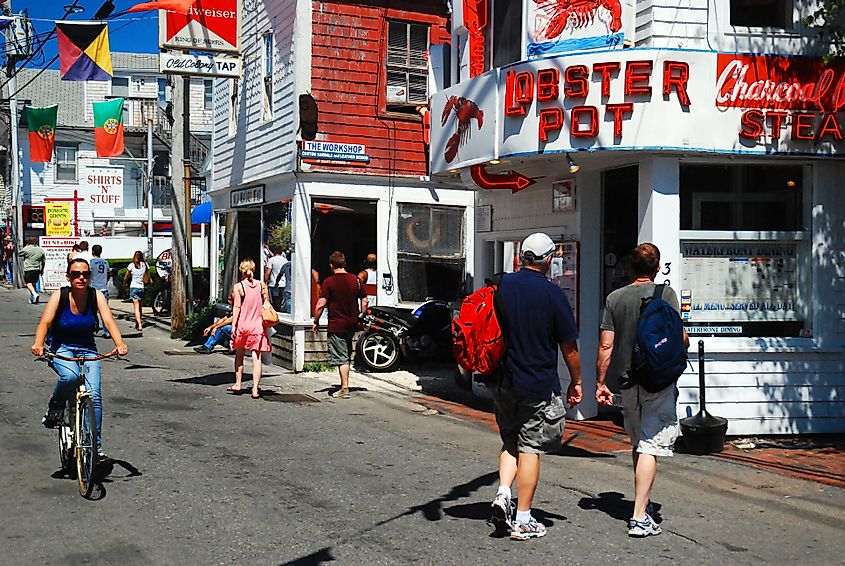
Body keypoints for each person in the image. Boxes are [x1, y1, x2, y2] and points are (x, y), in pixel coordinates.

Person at [488, 232, 582, 541]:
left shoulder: (503, 286)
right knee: (530, 447)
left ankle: (504, 493)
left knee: (510, 441)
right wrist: (577, 381)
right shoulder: (553, 294)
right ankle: (524, 518)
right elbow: (569, 347)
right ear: (549, 259)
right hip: (537, 383)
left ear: (522, 256)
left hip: (504, 380)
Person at [595, 242, 689, 538]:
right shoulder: (667, 294)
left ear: (630, 268)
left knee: (639, 442)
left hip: (627, 380)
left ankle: (642, 504)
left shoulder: (615, 298)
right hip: (658, 379)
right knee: (650, 444)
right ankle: (639, 517)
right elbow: (681, 337)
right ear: (657, 267)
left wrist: (600, 382)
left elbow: (606, 345)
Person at [32, 257, 129, 460]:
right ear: (69, 277)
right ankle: (55, 407)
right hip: (62, 347)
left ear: (90, 276)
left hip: (87, 349)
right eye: (76, 274)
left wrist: (119, 344)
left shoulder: (96, 296)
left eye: (85, 274)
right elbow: (45, 322)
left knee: (94, 396)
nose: (81, 277)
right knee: (70, 377)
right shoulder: (61, 295)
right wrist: (39, 344)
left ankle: (96, 448)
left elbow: (109, 321)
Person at [312, 251, 367, 399]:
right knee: (346, 354)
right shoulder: (356, 280)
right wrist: (361, 315)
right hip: (352, 324)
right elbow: (365, 300)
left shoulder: (329, 282)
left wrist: (316, 321)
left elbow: (320, 304)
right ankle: (345, 384)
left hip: (337, 324)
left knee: (341, 357)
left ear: (331, 265)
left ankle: (344, 388)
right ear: (344, 264)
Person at [229, 258, 272, 398]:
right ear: (253, 269)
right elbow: (266, 304)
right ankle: (255, 389)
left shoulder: (239, 286)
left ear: (241, 270)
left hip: (243, 324)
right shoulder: (261, 285)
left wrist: (234, 326)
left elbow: (236, 307)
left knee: (239, 355)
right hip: (257, 326)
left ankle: (238, 384)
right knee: (257, 358)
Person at [89, 244, 111, 339]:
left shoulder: (90, 263)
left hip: (93, 289)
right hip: (104, 289)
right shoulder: (106, 263)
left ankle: (92, 327)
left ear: (92, 252)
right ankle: (107, 332)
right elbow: (108, 274)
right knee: (104, 312)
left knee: (91, 311)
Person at [124, 251, 148, 332]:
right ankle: (138, 322)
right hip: (142, 287)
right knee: (140, 306)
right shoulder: (145, 265)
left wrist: (125, 284)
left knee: (136, 308)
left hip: (134, 287)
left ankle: (139, 324)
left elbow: (126, 276)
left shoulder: (131, 265)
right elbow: (147, 275)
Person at [19, 236, 45, 304]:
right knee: (34, 283)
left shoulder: (27, 248)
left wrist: (26, 246)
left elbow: (20, 254)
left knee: (28, 283)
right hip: (37, 268)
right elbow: (43, 261)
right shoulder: (40, 250)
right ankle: (32, 298)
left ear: (29, 242)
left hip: (28, 268)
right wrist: (42, 269)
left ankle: (34, 294)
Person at [264, 244, 287, 311]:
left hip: (273, 284)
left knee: (274, 302)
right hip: (283, 284)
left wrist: (265, 281)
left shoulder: (272, 260)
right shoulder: (285, 260)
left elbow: (268, 272)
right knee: (281, 302)